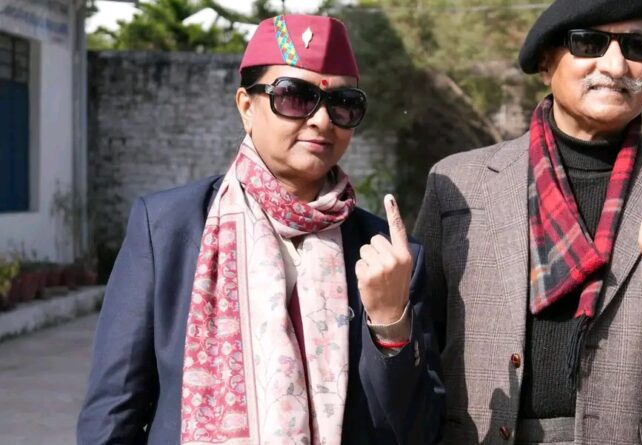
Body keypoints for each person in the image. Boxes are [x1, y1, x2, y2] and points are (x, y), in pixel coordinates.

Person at [78, 14, 444, 445]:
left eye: (343, 103)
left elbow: (421, 431)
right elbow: (113, 412)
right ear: (246, 106)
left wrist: (389, 324)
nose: (322, 120)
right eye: (295, 97)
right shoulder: (168, 228)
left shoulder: (388, 257)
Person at [414, 1, 642, 444]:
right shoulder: (459, 186)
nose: (616, 65)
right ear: (545, 64)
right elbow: (415, 353)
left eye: (637, 46)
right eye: (589, 43)